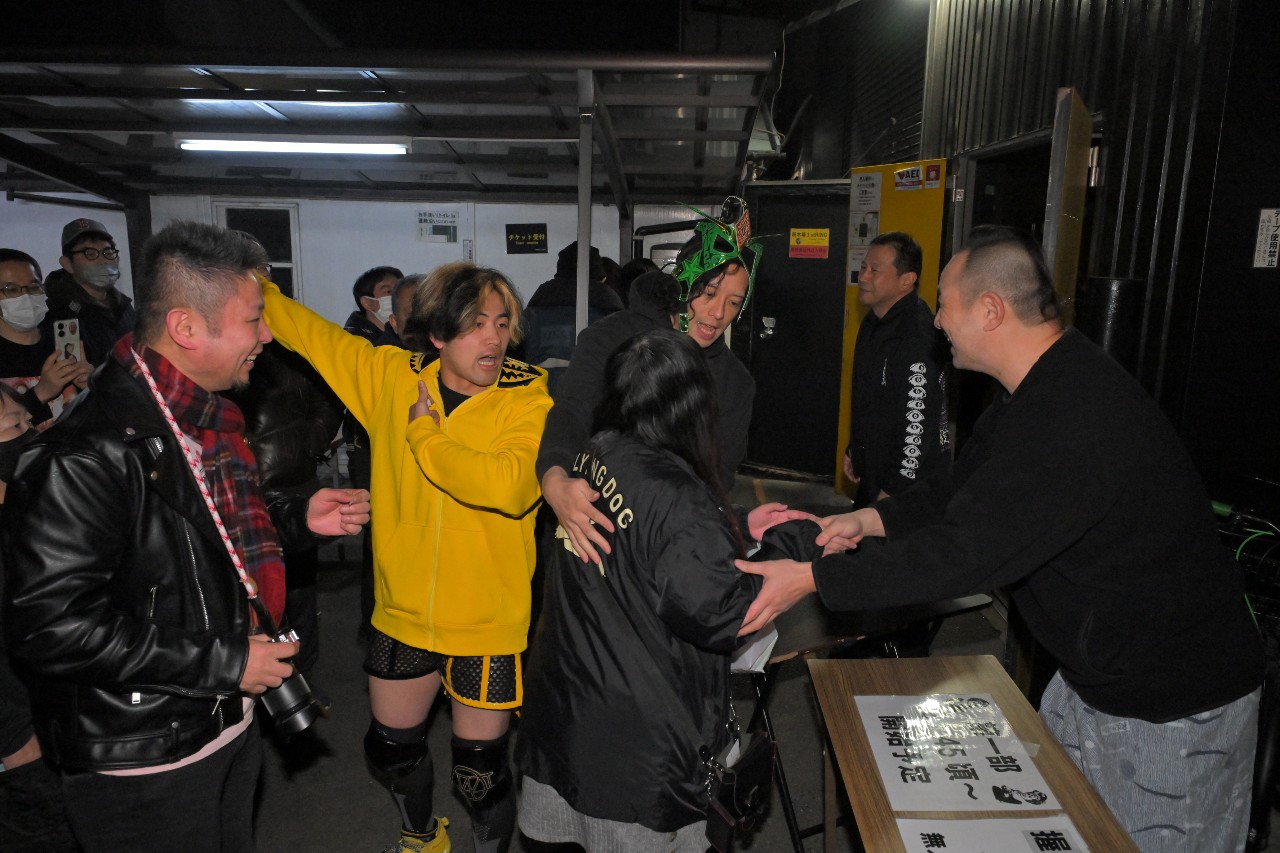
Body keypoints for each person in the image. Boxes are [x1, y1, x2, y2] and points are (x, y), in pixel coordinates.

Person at [738, 226, 1265, 853]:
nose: (937, 321)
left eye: (945, 304)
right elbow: (959, 488)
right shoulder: (1034, 390)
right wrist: (871, 521)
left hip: (1170, 703)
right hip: (1096, 675)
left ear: (990, 310)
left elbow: (964, 552)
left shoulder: (1071, 415)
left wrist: (813, 578)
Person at [2, 221, 371, 853]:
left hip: (219, 719)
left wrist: (295, 518)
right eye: (253, 319)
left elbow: (199, 531)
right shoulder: (87, 452)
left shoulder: (196, 413)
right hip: (145, 755)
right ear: (185, 328)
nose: (267, 335)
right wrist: (227, 661)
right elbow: (51, 627)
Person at [260, 263, 551, 853]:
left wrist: (424, 435)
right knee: (391, 750)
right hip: (403, 614)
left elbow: (508, 487)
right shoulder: (390, 376)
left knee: (479, 772)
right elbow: (313, 335)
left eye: (501, 323)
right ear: (438, 335)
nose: (494, 338)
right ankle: (422, 838)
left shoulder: (529, 396)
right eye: (475, 324)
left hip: (485, 623)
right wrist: (255, 287)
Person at [517, 329, 766, 852]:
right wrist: (795, 564)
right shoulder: (680, 497)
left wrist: (738, 523)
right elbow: (722, 614)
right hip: (637, 756)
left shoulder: (595, 453)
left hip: (566, 717)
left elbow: (638, 538)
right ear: (693, 406)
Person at [537, 198, 760, 568]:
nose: (719, 313)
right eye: (708, 292)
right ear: (683, 279)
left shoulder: (737, 384)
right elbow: (571, 414)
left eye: (734, 302)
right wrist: (554, 479)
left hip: (669, 543)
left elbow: (717, 478)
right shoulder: (609, 338)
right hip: (590, 525)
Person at [0, 382, 79, 851]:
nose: (32, 431)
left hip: (59, 726)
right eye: (14, 426)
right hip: (26, 749)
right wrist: (14, 743)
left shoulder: (23, 511)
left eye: (28, 419)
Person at [843, 231, 950, 507]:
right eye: (863, 267)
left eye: (874, 270)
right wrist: (855, 448)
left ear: (907, 279)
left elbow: (918, 425)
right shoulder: (873, 323)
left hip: (907, 490)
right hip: (875, 474)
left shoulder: (917, 336)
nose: (863, 276)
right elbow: (869, 398)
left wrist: (893, 490)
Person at [341, 264, 403, 639]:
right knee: (378, 538)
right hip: (367, 451)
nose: (394, 296)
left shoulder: (398, 337)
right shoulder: (358, 342)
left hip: (392, 449)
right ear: (368, 302)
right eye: (386, 290)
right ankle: (375, 626)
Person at [0, 248, 91, 425]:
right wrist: (40, 393)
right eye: (11, 289)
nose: (26, 296)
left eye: (34, 287)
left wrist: (92, 386)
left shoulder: (66, 344)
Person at [520, 241, 624, 393]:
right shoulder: (613, 318)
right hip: (593, 398)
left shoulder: (530, 315)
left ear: (558, 275)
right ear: (603, 279)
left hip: (537, 397)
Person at [44, 218, 135, 365]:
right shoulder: (55, 315)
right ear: (68, 264)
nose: (103, 261)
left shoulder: (124, 307)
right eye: (90, 253)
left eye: (108, 252)